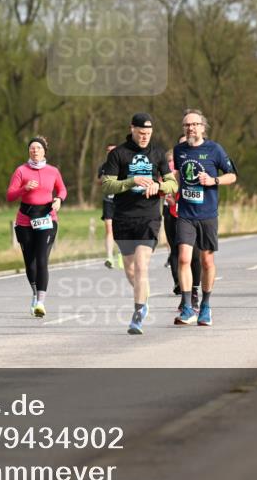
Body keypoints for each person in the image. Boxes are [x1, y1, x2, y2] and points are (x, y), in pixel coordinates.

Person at [101, 113, 177, 335]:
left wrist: (159, 187)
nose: (145, 137)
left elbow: (172, 183)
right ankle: (143, 297)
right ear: (132, 129)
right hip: (123, 217)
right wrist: (131, 181)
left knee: (142, 265)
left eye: (148, 133)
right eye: (141, 133)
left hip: (149, 216)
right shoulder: (118, 154)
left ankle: (137, 314)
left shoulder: (158, 153)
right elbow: (107, 185)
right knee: (131, 270)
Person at [172, 109, 237, 326]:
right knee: (183, 258)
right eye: (186, 125)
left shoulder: (215, 149)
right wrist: (173, 193)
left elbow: (232, 175)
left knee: (207, 261)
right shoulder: (179, 150)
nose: (190, 128)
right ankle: (187, 306)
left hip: (208, 214)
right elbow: (178, 177)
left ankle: (206, 306)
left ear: (202, 127)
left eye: (194, 124)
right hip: (185, 214)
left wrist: (213, 181)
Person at [6, 136, 67, 318]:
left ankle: (41, 302)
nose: (35, 151)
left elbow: (62, 189)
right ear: (29, 152)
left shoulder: (53, 171)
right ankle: (35, 293)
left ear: (44, 151)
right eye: (32, 148)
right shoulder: (21, 171)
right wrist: (24, 188)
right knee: (30, 263)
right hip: (25, 220)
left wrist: (58, 199)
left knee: (41, 260)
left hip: (47, 218)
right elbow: (10, 195)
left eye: (38, 148)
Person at [163, 136, 201, 313]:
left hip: (194, 211)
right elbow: (164, 181)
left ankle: (193, 291)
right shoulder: (172, 161)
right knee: (176, 252)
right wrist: (167, 195)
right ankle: (181, 285)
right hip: (172, 211)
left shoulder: (201, 159)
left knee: (194, 254)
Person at [97, 144, 122, 269]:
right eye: (108, 151)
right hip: (108, 201)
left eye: (113, 151)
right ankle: (109, 257)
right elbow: (99, 182)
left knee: (121, 229)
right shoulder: (103, 166)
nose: (110, 152)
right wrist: (102, 178)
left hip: (121, 201)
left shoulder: (123, 164)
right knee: (109, 228)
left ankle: (121, 254)